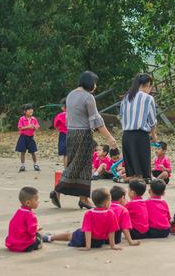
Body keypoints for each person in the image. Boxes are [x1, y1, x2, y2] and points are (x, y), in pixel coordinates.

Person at [50, 71, 117, 210]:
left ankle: (83, 198)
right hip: (82, 135)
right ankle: (57, 190)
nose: (95, 86)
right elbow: (96, 119)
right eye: (95, 83)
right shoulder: (88, 97)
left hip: (70, 134)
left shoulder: (71, 95)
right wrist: (109, 137)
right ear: (89, 82)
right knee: (79, 165)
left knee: (81, 165)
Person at [43, 188, 122, 251]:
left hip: (85, 239)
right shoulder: (111, 213)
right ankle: (71, 235)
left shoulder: (89, 213)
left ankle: (49, 238)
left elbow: (88, 230)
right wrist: (113, 245)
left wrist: (87, 247)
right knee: (72, 234)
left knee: (68, 235)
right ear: (106, 203)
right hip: (99, 242)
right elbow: (111, 230)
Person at [120, 73, 157, 184]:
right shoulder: (148, 98)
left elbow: (122, 118)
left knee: (132, 172)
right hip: (140, 136)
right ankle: (138, 197)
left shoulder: (126, 98)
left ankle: (134, 196)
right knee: (141, 173)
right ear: (148, 84)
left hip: (126, 136)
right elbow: (152, 120)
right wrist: (153, 134)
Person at [5, 187, 43, 252]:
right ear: (28, 203)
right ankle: (37, 245)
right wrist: (38, 228)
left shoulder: (19, 211)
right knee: (39, 234)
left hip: (12, 244)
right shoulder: (31, 215)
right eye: (36, 200)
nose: (38, 201)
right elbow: (32, 231)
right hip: (26, 246)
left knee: (8, 237)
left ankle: (15, 244)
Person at [15, 104, 40, 172]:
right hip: (23, 138)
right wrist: (28, 127)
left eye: (31, 109)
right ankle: (22, 165)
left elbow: (37, 127)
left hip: (31, 138)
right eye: (29, 110)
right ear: (25, 111)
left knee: (33, 152)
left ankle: (35, 165)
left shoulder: (33, 119)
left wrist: (35, 127)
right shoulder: (22, 119)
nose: (31, 111)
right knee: (22, 152)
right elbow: (20, 128)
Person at [53, 98, 68, 168]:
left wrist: (59, 130)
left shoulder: (59, 116)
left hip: (63, 135)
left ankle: (66, 170)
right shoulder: (75, 115)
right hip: (73, 134)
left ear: (63, 106)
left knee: (66, 154)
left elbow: (56, 125)